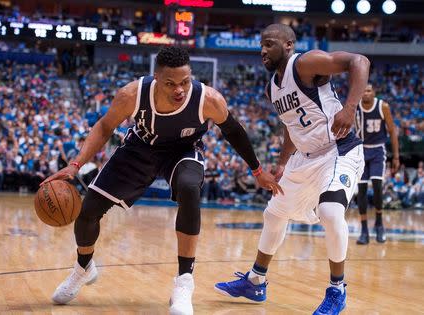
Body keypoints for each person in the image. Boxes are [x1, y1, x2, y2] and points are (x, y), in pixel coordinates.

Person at [41, 46, 281, 315]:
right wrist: (75, 165)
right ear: (156, 78)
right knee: (87, 213)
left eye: (185, 82)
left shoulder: (208, 99)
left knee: (190, 188)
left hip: (183, 151)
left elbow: (234, 131)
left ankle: (184, 281)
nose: (179, 90)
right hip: (140, 148)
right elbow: (105, 127)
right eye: (170, 83)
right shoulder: (132, 94)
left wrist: (258, 171)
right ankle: (83, 268)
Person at [214, 24, 370, 315]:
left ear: (288, 46)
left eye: (269, 43)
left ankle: (337, 289)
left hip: (339, 149)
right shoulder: (271, 86)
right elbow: (291, 125)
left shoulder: (305, 63)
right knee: (274, 213)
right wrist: (284, 161)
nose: (262, 50)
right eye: (261, 44)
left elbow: (359, 62)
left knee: (330, 211)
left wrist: (349, 108)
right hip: (305, 157)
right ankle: (255, 281)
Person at [354, 83, 399, 244]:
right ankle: (364, 229)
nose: (365, 93)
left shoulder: (383, 106)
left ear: (374, 92)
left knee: (378, 186)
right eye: (363, 91)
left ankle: (379, 224)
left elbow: (392, 131)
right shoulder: (355, 107)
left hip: (378, 150)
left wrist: (396, 157)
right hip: (361, 150)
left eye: (368, 90)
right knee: (362, 190)